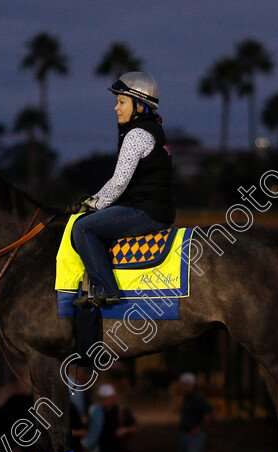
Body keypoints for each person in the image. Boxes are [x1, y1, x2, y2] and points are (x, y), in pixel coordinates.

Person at [67, 71, 176, 308]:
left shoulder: (136, 135)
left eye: (122, 102)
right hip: (156, 209)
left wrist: (92, 204)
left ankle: (106, 289)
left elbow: (118, 182)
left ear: (139, 106)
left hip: (145, 211)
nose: (116, 108)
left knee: (83, 228)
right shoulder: (152, 130)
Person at [81, 384, 137, 452]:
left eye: (106, 398)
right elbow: (90, 430)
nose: (104, 401)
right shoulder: (96, 412)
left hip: (119, 451)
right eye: (102, 398)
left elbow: (134, 426)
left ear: (112, 397)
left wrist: (125, 430)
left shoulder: (121, 411)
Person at [177, 372, 214, 452]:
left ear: (191, 385)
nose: (182, 387)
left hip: (194, 436)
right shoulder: (188, 398)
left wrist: (199, 428)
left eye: (184, 385)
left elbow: (210, 412)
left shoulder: (198, 398)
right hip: (186, 434)